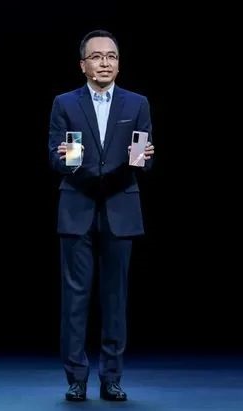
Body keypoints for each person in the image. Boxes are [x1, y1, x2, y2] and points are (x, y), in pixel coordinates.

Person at [47, 29, 155, 402]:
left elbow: (142, 157)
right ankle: (76, 379)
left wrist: (146, 157)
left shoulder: (137, 103)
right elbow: (55, 156)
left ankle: (112, 378)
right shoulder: (64, 103)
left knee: (115, 299)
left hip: (120, 207)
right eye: (96, 57)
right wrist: (64, 159)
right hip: (77, 205)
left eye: (111, 56)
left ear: (119, 64)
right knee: (75, 300)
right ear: (83, 65)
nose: (105, 62)